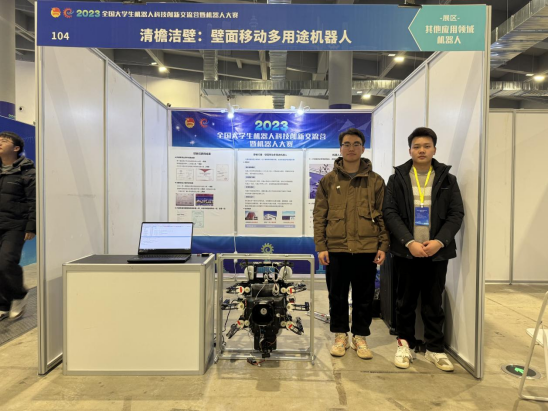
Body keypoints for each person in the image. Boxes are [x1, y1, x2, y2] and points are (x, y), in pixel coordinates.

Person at [383, 127, 464, 372]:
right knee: (405, 302)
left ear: (434, 150)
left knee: (433, 302)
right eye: (417, 146)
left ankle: (435, 349)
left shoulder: (448, 179)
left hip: (436, 252)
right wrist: (410, 242)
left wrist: (440, 241)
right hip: (407, 251)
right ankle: (404, 345)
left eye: (426, 146)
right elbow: (390, 212)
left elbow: (456, 214)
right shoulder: (397, 178)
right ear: (410, 150)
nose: (421, 150)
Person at [313, 128, 389, 360]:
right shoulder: (328, 181)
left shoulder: (376, 181)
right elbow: (319, 216)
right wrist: (321, 246)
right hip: (337, 249)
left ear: (363, 148)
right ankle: (340, 335)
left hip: (367, 249)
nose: (351, 148)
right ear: (340, 148)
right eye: (347, 144)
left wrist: (383, 245)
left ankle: (360, 336)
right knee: (336, 295)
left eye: (356, 144)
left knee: (363, 296)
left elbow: (384, 215)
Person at [0, 131, 36, 321]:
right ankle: (3, 304)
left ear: (16, 148)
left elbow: (33, 200)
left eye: (4, 140)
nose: (0, 142)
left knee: (6, 262)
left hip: (15, 225)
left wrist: (32, 226)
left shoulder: (27, 172)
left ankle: (20, 294)